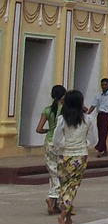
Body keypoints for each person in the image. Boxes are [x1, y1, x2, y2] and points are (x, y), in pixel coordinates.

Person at [51, 89, 96, 224]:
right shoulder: (88, 119)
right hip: (80, 156)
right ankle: (63, 215)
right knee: (72, 187)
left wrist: (64, 145)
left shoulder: (62, 119)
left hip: (64, 156)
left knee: (64, 187)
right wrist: (84, 144)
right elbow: (94, 140)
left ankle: (68, 217)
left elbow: (56, 139)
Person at [35, 84, 66, 215]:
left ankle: (53, 200)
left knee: (53, 172)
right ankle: (53, 199)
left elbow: (38, 129)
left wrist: (49, 130)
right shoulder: (66, 110)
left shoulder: (47, 110)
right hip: (62, 143)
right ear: (63, 95)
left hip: (49, 142)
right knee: (62, 173)